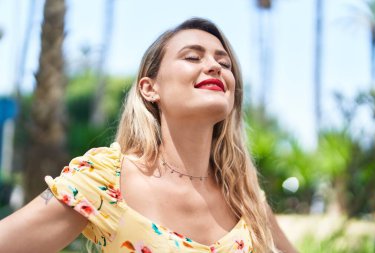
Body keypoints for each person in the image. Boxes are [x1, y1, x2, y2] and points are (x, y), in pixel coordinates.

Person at [0, 18, 298, 253]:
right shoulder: (107, 179)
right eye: (193, 57)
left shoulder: (243, 194)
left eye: (225, 63)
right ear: (149, 88)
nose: (214, 67)